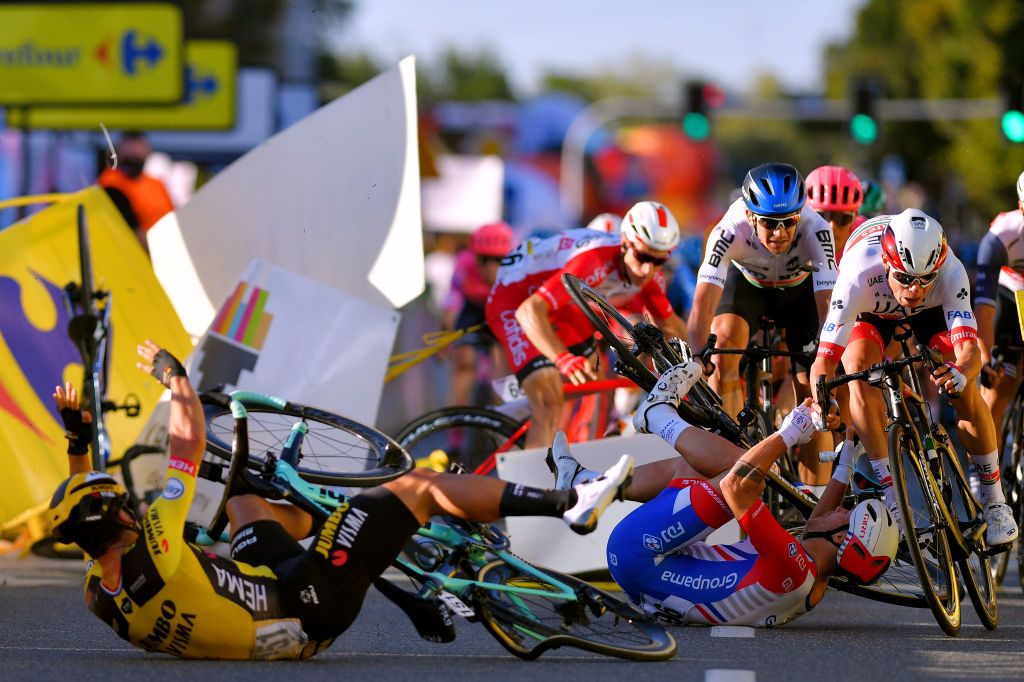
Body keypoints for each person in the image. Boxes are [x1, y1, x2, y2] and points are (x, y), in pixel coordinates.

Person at [47, 341, 634, 660]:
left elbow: (87, 524)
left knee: (243, 503)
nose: (131, 504)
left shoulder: (102, 589)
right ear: (125, 515)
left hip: (277, 602)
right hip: (308, 603)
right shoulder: (157, 541)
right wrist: (174, 377)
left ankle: (358, 535)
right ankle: (568, 502)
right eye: (122, 500)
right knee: (418, 489)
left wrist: (79, 442)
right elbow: (189, 440)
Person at [550, 361, 897, 627]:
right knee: (695, 472)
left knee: (744, 474)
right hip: (650, 575)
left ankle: (657, 417)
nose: (840, 507)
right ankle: (584, 485)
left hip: (639, 555)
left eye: (846, 513)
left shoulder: (793, 562)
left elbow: (736, 485)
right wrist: (845, 463)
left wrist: (789, 433)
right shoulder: (810, 575)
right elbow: (817, 527)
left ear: (841, 535)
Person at [810, 208, 1019, 547]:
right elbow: (823, 363)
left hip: (931, 316)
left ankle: (994, 500)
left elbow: (971, 351)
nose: (914, 289)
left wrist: (960, 373)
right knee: (859, 369)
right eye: (905, 278)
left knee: (964, 389)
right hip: (871, 312)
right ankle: (890, 490)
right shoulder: (857, 274)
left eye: (925, 279)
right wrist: (824, 401)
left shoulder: (950, 271)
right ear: (886, 262)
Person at [687, 162, 838, 495]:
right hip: (748, 286)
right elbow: (702, 305)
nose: (780, 233)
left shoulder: (817, 229)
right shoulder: (729, 229)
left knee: (812, 392)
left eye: (789, 222)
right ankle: (732, 460)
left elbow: (829, 307)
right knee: (723, 342)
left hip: (799, 292)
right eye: (770, 223)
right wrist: (698, 358)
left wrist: (825, 362)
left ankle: (815, 501)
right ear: (751, 215)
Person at [485, 200, 688, 449]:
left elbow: (672, 326)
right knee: (549, 400)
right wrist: (563, 359)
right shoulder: (595, 260)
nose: (648, 270)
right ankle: (528, 480)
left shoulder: (646, 272)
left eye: (659, 261)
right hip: (515, 300)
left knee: (591, 372)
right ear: (625, 242)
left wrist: (703, 358)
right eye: (644, 257)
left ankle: (530, 411)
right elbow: (530, 311)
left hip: (556, 306)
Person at [975, 170, 1024, 444]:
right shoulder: (1002, 235)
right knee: (999, 383)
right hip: (1009, 292)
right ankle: (981, 466)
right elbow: (984, 305)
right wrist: (987, 356)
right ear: (1020, 206)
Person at [443, 222, 515, 406]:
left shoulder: (515, 265)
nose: (490, 266)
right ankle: (455, 424)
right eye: (484, 259)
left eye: (498, 259)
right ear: (474, 255)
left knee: (501, 371)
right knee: (464, 364)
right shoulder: (465, 262)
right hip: (473, 308)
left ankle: (501, 420)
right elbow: (453, 299)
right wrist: (447, 335)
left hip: (500, 309)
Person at [97, 131, 174, 250]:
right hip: (135, 251)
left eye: (138, 152)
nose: (134, 155)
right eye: (130, 153)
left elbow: (172, 217)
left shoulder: (156, 184)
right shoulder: (110, 183)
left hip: (163, 248)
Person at [805, 165, 863, 260]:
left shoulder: (865, 241)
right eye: (821, 217)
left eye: (843, 219)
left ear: (855, 217)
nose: (832, 226)